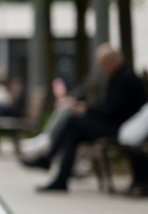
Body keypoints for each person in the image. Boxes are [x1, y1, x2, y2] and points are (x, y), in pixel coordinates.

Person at [24, 45, 148, 192]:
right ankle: (59, 177)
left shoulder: (125, 79)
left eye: (102, 64)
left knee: (73, 121)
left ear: (111, 62)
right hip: (119, 125)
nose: (101, 68)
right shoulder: (120, 76)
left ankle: (49, 159)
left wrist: (87, 110)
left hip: (122, 128)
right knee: (72, 133)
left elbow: (113, 111)